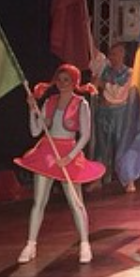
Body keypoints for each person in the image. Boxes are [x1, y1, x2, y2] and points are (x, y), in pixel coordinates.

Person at [15, 63, 105, 264]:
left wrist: (70, 157)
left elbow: (85, 135)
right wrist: (32, 110)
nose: (63, 83)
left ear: (75, 82)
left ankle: (84, 244)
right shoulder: (49, 102)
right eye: (60, 79)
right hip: (47, 153)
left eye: (67, 80)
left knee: (75, 202)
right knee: (39, 201)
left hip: (68, 154)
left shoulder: (81, 104)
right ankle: (30, 245)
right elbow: (35, 131)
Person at [92, 41, 135, 192]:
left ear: (123, 54)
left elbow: (118, 93)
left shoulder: (129, 73)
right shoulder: (105, 70)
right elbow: (94, 87)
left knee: (121, 146)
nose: (112, 57)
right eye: (111, 54)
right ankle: (97, 179)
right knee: (101, 147)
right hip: (104, 112)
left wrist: (103, 85)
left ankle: (128, 180)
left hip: (119, 114)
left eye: (115, 54)